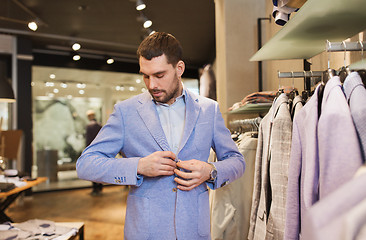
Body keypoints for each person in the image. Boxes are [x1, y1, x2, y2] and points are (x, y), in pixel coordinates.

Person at [76, 32, 245, 240]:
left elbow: (237, 161)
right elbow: (86, 164)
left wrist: (211, 171)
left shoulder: (209, 110)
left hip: (194, 232)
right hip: (145, 233)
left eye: (159, 75)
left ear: (179, 68)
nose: (151, 85)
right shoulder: (125, 112)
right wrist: (138, 166)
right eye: (145, 76)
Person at [85, 110, 103, 196]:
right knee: (99, 168)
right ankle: (99, 186)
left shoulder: (89, 126)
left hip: (92, 151)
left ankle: (95, 188)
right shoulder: (99, 125)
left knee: (92, 169)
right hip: (100, 150)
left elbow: (88, 140)